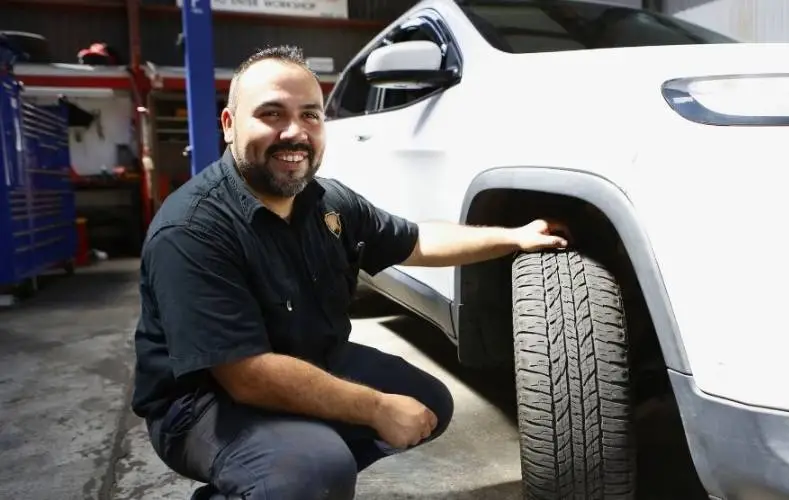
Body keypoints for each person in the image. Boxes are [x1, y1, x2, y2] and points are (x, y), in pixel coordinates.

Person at [131, 45, 569, 500]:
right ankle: (284, 478)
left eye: (310, 115)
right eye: (272, 114)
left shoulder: (328, 203)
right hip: (203, 399)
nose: (294, 132)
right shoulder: (193, 228)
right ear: (228, 125)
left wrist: (515, 236)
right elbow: (246, 375)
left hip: (307, 356)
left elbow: (416, 240)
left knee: (428, 403)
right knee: (316, 469)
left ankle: (273, 478)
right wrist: (375, 408)